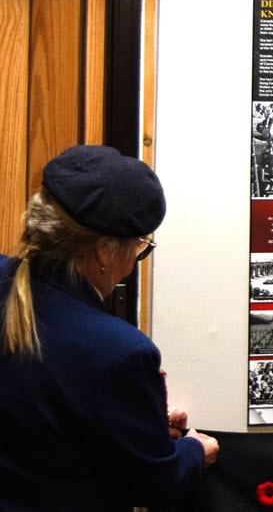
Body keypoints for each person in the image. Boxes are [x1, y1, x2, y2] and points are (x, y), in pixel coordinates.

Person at [0, 145, 219, 510]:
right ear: (104, 249)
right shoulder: (119, 352)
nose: (134, 263)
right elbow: (153, 483)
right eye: (140, 249)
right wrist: (195, 450)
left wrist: (135, 425)